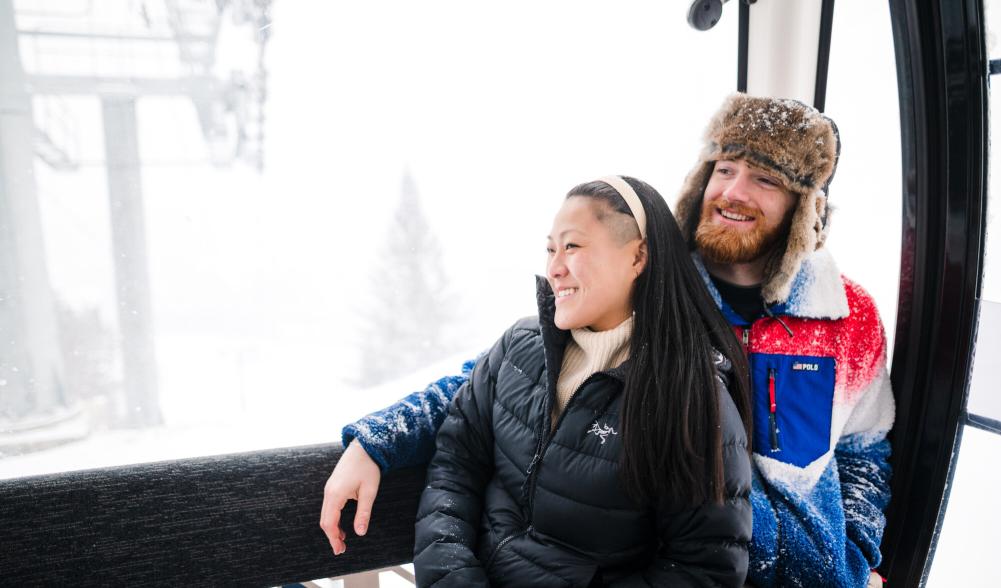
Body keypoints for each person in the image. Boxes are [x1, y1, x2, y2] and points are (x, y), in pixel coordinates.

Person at [320, 94, 896, 588]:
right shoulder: (658, 298)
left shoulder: (847, 318)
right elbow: (504, 380)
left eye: (765, 178)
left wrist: (856, 553)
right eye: (723, 169)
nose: (734, 191)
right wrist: (379, 441)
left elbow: (865, 448)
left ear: (804, 207)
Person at [410, 176, 751, 586]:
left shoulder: (688, 398)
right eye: (550, 248)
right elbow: (455, 464)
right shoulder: (519, 348)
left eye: (572, 246)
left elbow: (702, 571)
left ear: (638, 257)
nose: (554, 268)